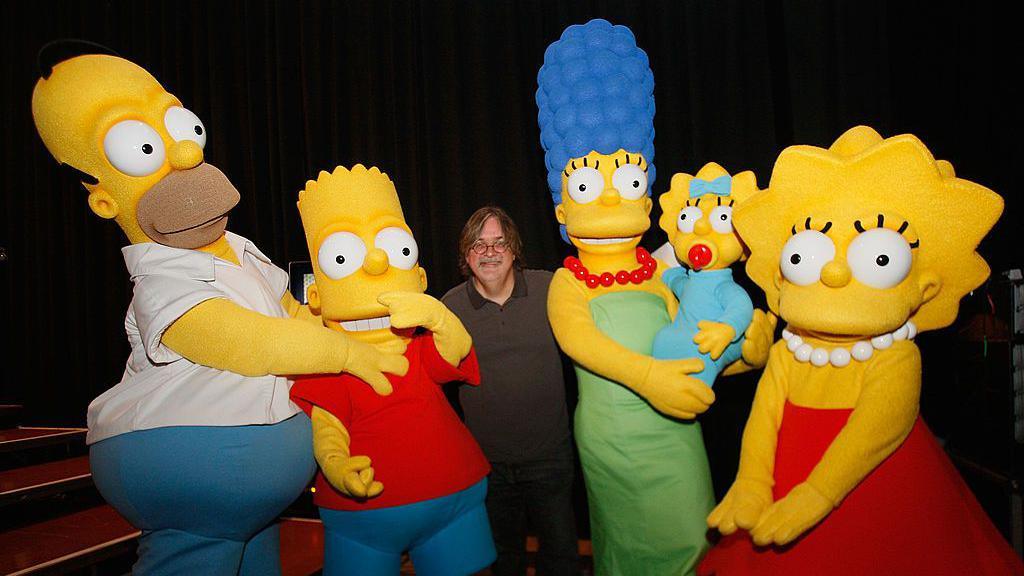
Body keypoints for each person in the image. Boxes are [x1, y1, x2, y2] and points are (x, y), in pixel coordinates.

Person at [442, 206, 579, 576]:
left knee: (562, 557)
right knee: (504, 560)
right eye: (478, 245)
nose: (489, 253)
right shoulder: (449, 309)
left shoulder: (550, 288)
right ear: (466, 255)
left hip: (549, 456)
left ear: (514, 249)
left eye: (499, 243)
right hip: (487, 463)